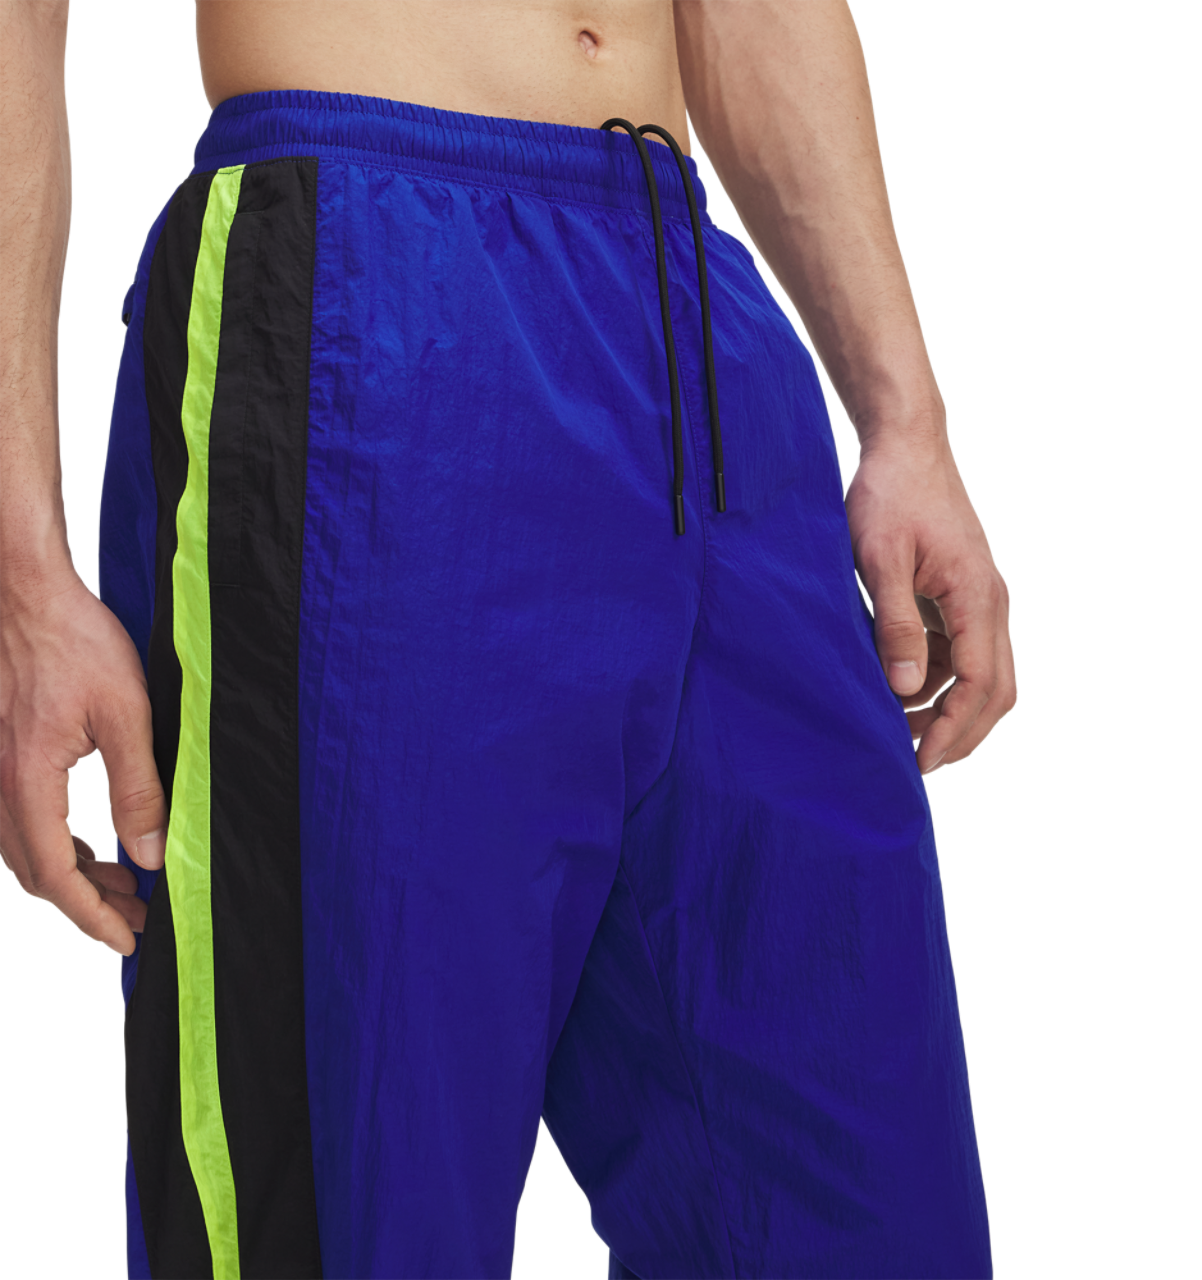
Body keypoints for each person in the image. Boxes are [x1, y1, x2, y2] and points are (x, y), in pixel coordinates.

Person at [0, 1, 1015, 1276]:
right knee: (351, 1204)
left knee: (867, 1206)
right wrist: (21, 579)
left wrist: (902, 419)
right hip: (368, 283)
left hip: (702, 328)